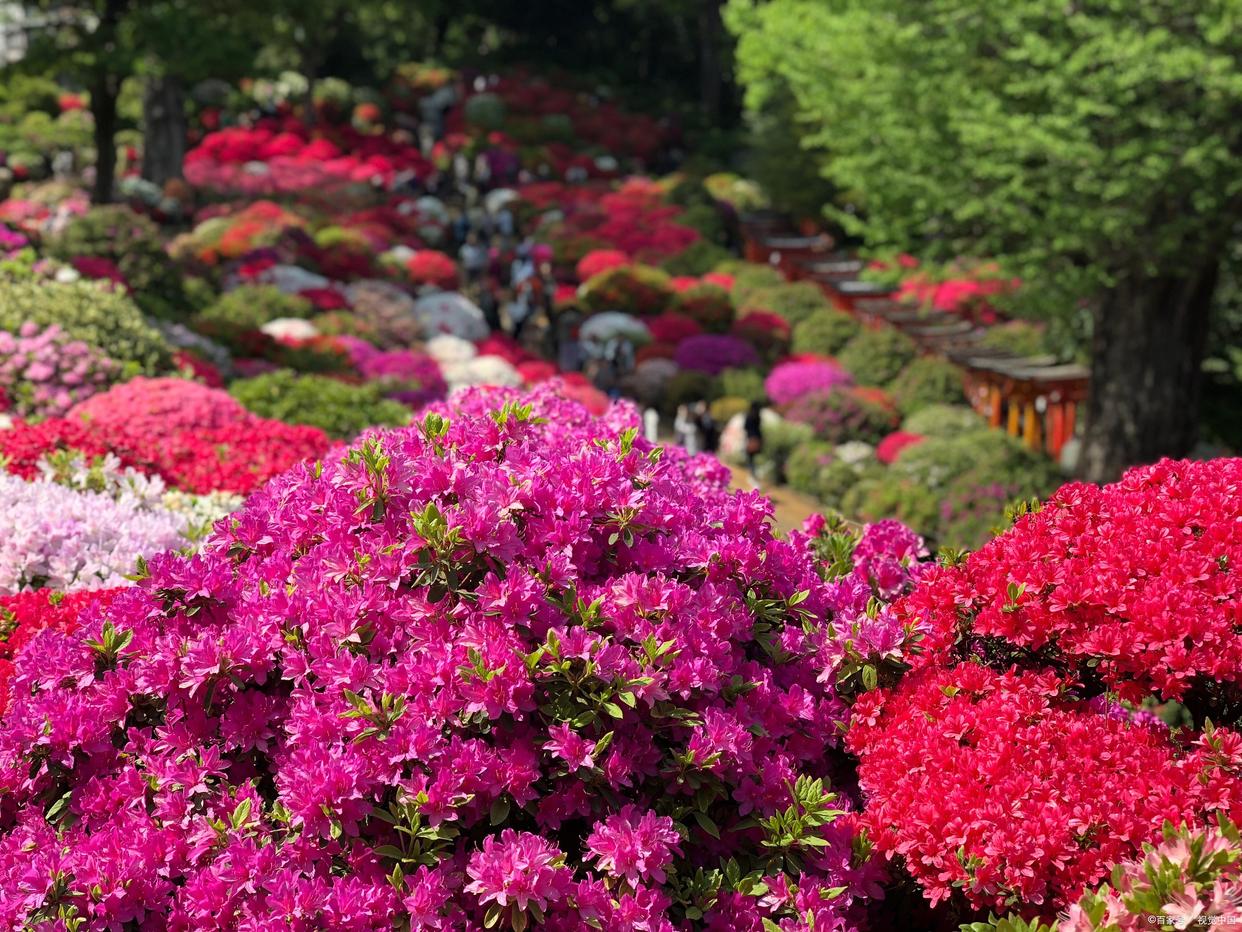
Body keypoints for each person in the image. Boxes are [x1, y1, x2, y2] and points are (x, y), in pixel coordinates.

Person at [743, 401, 764, 486]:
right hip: (757, 439)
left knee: (750, 459)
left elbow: (745, 427)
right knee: (754, 458)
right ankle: (754, 475)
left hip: (751, 439)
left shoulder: (748, 416)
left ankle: (752, 475)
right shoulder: (758, 417)